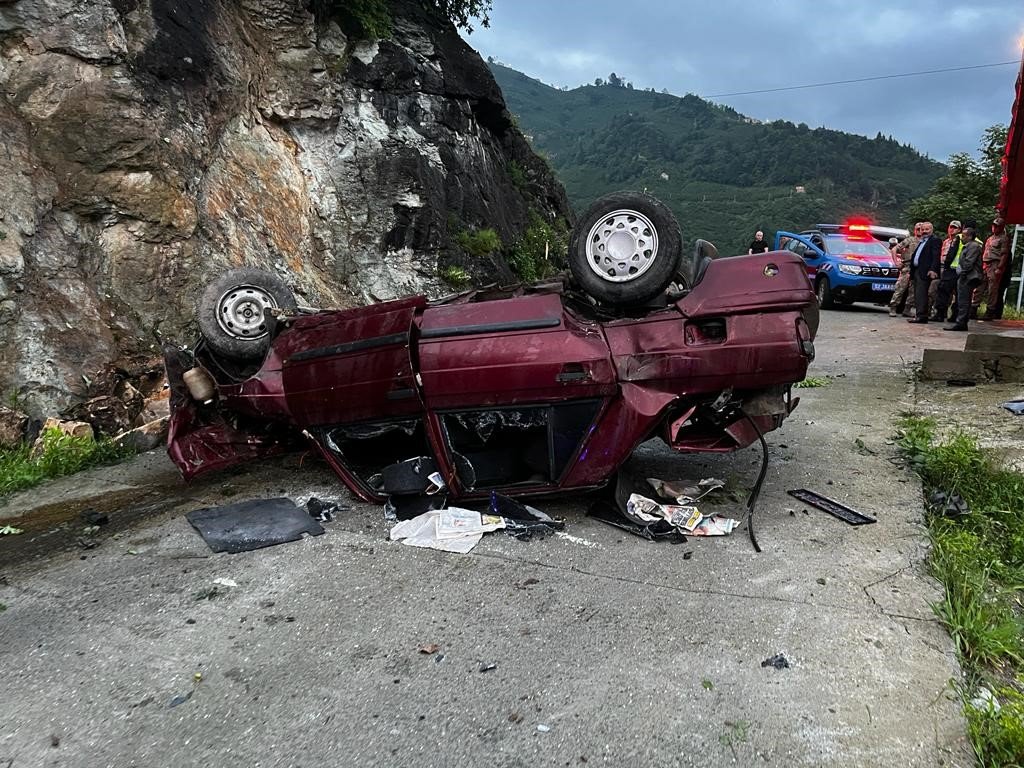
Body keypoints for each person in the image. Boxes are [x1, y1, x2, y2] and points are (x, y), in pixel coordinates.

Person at [945, 224, 984, 331]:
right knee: (962, 300)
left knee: (964, 300)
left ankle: (961, 322)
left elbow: (969, 262)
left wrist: (962, 273)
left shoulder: (973, 246)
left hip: (968, 277)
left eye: (964, 236)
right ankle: (961, 322)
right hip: (965, 276)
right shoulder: (969, 246)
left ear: (970, 236)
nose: (962, 238)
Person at [907, 221, 941, 323]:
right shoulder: (922, 241)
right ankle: (919, 314)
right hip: (917, 270)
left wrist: (933, 269)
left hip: (925, 271)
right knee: (917, 293)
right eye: (922, 229)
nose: (924, 231)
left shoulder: (935, 240)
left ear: (932, 230)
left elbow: (936, 256)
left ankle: (922, 316)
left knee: (922, 293)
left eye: (927, 229)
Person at [931, 220, 962, 322]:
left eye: (955, 228)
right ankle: (940, 312)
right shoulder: (946, 242)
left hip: (955, 269)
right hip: (943, 267)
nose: (952, 229)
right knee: (940, 290)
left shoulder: (960, 240)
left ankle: (953, 314)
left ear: (959, 230)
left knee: (954, 293)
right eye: (951, 227)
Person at [979, 217, 1008, 320]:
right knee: (980, 287)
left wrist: (1000, 267)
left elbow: (1004, 254)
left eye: (997, 226)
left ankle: (990, 311)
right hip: (986, 264)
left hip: (994, 263)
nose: (994, 227)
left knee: (992, 289)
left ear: (1001, 227)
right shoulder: (990, 238)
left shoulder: (1003, 238)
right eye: (994, 225)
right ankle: (974, 307)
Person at [889, 223, 921, 317]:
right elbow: (894, 249)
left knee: (913, 290)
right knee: (900, 288)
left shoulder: (925, 242)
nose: (920, 231)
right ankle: (893, 307)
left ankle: (907, 309)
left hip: (918, 268)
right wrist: (896, 262)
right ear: (915, 230)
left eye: (921, 229)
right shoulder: (909, 240)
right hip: (907, 266)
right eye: (918, 229)